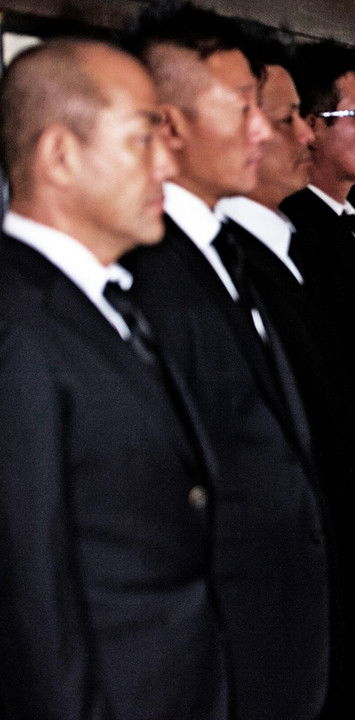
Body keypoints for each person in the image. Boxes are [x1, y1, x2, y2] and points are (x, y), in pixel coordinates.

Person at [0, 37, 231, 720]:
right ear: (60, 155)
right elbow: (30, 595)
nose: (167, 164)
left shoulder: (107, 300)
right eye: (141, 139)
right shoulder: (18, 325)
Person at [120, 6, 330, 718]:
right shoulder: (150, 272)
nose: (265, 132)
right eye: (243, 108)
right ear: (169, 125)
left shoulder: (222, 248)